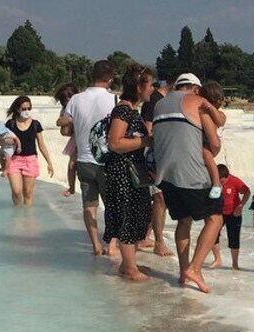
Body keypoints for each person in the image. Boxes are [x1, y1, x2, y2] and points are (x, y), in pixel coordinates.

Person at [153, 72, 223, 293]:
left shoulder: (159, 104)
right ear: (195, 88)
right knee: (215, 219)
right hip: (191, 174)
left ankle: (184, 272)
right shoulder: (197, 102)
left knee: (184, 221)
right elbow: (215, 144)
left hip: (165, 175)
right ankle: (195, 268)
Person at [103, 65, 155, 281]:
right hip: (123, 173)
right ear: (139, 86)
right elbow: (114, 142)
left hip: (132, 171)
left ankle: (128, 263)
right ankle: (129, 267)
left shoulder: (131, 110)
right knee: (128, 215)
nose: (152, 89)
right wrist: (144, 141)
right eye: (150, 84)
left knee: (139, 213)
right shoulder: (123, 110)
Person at [62, 60, 117, 255]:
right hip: (106, 161)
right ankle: (111, 244)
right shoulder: (114, 101)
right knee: (112, 205)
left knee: (89, 205)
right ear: (110, 79)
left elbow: (65, 124)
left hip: (83, 160)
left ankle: (95, 244)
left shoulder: (76, 99)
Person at [139, 80, 174, 256]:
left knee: (158, 199)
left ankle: (146, 236)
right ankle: (157, 242)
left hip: (158, 155)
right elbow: (148, 130)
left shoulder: (160, 101)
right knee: (159, 198)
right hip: (153, 156)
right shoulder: (155, 101)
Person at [4, 96, 54, 206]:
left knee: (28, 193)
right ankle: (17, 215)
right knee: (16, 191)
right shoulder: (10, 124)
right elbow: (3, 141)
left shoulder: (36, 124)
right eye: (24, 108)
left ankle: (27, 218)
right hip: (14, 160)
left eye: (28, 108)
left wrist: (49, 163)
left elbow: (41, 145)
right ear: (17, 109)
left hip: (30, 160)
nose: (27, 111)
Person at [209, 164, 251, 270]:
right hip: (218, 213)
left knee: (234, 239)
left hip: (234, 213)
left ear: (227, 177)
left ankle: (235, 263)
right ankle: (217, 259)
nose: (220, 183)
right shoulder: (213, 180)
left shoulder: (235, 181)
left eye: (222, 181)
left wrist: (241, 205)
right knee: (212, 235)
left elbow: (247, 191)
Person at [198, 81, 227, 196]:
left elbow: (221, 122)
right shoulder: (202, 112)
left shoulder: (219, 114)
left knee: (206, 155)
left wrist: (211, 109)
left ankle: (216, 183)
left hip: (210, 143)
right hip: (205, 141)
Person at [54, 83, 79, 198]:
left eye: (70, 96)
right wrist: (68, 119)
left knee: (73, 164)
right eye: (65, 98)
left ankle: (72, 187)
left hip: (79, 135)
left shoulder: (79, 105)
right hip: (75, 137)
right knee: (71, 165)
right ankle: (71, 187)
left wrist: (68, 120)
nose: (68, 99)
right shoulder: (65, 109)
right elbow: (59, 122)